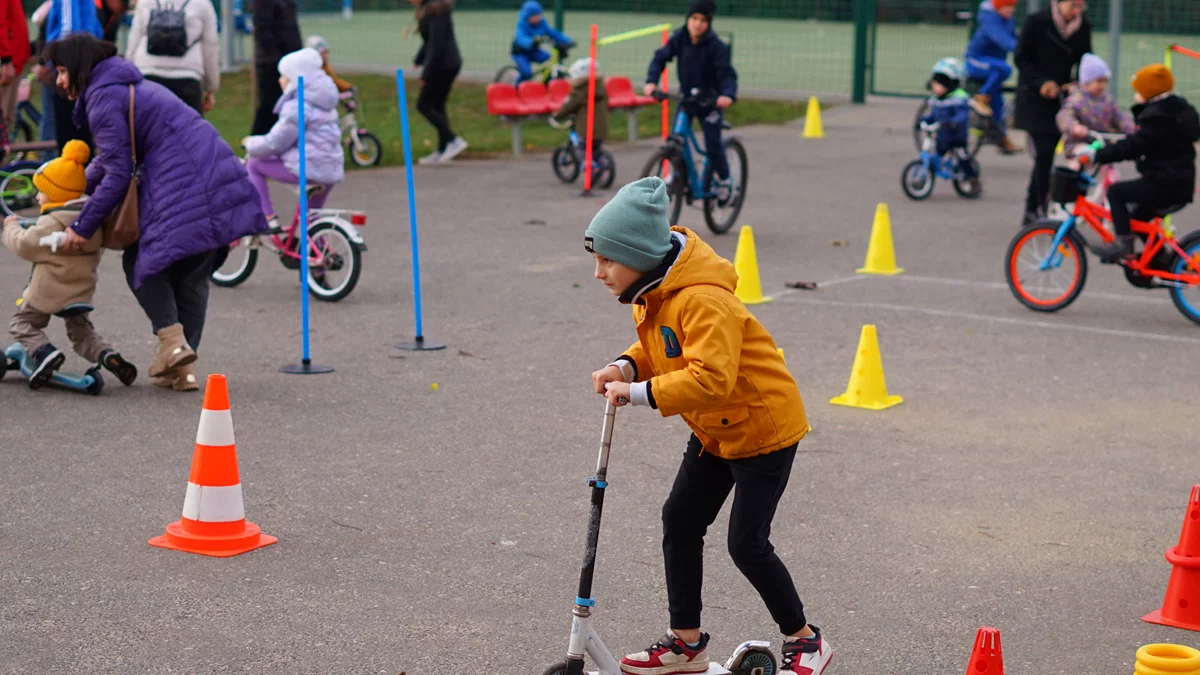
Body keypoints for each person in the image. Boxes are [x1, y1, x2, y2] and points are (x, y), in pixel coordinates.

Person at [587, 177, 833, 675]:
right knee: (680, 519)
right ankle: (687, 643)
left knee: (746, 544)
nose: (598, 273)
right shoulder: (654, 291)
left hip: (762, 430)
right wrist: (626, 367)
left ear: (639, 254)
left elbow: (712, 378)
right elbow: (666, 347)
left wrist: (637, 393)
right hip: (716, 430)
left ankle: (806, 641)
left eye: (607, 260)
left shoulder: (703, 299)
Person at [45, 33, 268, 391]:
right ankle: (181, 367)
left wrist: (81, 227)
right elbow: (111, 159)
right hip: (216, 171)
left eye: (60, 70)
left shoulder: (103, 96)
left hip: (185, 180)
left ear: (77, 65)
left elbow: (117, 172)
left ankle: (173, 344)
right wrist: (69, 190)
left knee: (142, 261)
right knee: (192, 267)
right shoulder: (123, 84)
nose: (57, 80)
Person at [2, 140, 137, 389]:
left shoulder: (50, 223)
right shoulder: (89, 221)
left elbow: (24, 245)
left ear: (54, 194)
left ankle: (44, 353)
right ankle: (109, 356)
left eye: (40, 191)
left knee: (21, 324)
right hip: (80, 293)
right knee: (82, 334)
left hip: (49, 292)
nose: (37, 196)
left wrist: (10, 227)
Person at [1076, 64, 1200, 262]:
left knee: (1117, 192)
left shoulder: (1157, 119)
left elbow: (1133, 145)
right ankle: (1162, 260)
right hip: (1178, 182)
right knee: (1136, 218)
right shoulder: (1176, 112)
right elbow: (1155, 145)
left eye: (1138, 92)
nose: (1135, 96)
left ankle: (1123, 246)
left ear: (1150, 94)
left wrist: (1097, 155)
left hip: (1166, 184)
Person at [644, 0, 737, 202]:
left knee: (713, 144)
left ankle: (724, 180)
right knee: (676, 139)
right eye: (694, 19)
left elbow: (727, 74)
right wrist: (652, 82)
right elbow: (660, 57)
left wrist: (727, 94)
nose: (697, 24)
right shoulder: (680, 38)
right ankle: (676, 174)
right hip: (687, 100)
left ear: (709, 23)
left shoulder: (716, 47)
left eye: (703, 20)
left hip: (710, 103)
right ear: (688, 19)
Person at [242, 47, 344, 230]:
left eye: (284, 76)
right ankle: (318, 251)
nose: (280, 80)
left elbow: (276, 143)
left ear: (294, 79)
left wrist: (251, 143)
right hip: (330, 169)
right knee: (311, 224)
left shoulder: (297, 106)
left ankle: (267, 216)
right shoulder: (324, 103)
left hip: (310, 169)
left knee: (254, 163)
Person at [1014, 0, 1092, 227]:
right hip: (1034, 98)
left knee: (1055, 156)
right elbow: (1022, 58)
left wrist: (1079, 84)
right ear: (1058, 3)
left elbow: (1085, 60)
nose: (1076, 11)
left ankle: (1048, 206)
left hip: (1063, 100)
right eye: (1072, 6)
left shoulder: (1083, 26)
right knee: (1045, 152)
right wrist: (1042, 83)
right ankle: (1034, 208)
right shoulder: (1036, 22)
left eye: (1080, 6)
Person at [126, 0, 220, 115]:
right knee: (188, 130)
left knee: (147, 130)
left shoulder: (145, 2)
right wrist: (211, 87)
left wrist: (128, 78)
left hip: (147, 76)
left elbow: (133, 41)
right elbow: (210, 47)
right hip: (188, 78)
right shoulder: (203, 4)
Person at [44, 0, 103, 153]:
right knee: (82, 133)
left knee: (68, 136)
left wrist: (58, 63)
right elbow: (96, 29)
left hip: (71, 65)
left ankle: (71, 174)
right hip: (84, 62)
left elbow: (68, 28)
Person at [412, 0, 466, 164]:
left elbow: (437, 45)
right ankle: (443, 150)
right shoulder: (429, 10)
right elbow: (429, 41)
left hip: (444, 65)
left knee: (424, 105)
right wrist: (418, 60)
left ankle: (453, 140)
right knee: (437, 106)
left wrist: (426, 75)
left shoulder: (437, 12)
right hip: (445, 63)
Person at [963, 0, 1020, 153]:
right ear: (999, 7)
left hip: (993, 66)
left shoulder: (1009, 20)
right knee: (1004, 69)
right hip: (976, 61)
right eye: (1008, 7)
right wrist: (1019, 48)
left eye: (1013, 7)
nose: (1011, 10)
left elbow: (1015, 37)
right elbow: (1001, 39)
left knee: (998, 106)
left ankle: (1000, 138)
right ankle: (981, 97)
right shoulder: (990, 19)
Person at [1055, 53, 1135, 157]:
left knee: (1108, 167)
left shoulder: (1107, 99)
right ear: (1086, 81)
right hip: (1079, 142)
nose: (1102, 85)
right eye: (1098, 81)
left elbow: (1118, 116)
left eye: (1105, 81)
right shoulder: (1077, 99)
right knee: (1082, 158)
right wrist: (1074, 127)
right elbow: (1064, 115)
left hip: (1101, 142)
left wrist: (1130, 128)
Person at [921, 58, 981, 193]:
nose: (935, 88)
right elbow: (932, 115)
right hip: (943, 136)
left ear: (950, 84)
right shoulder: (935, 100)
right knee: (937, 154)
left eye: (939, 84)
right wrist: (924, 120)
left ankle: (973, 179)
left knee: (962, 157)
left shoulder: (958, 99)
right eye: (934, 84)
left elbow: (962, 114)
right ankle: (928, 173)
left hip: (956, 136)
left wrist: (953, 122)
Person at [250, 0, 301, 135]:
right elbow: (262, 31)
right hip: (272, 66)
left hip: (288, 63)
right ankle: (255, 149)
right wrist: (278, 62)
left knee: (286, 110)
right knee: (269, 108)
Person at [510, 0, 572, 85]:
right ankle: (516, 89)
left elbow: (552, 33)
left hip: (534, 51)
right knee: (526, 72)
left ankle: (545, 85)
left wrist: (568, 41)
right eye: (534, 16)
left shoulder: (542, 23)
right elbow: (520, 38)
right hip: (521, 53)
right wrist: (531, 41)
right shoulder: (522, 24)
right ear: (528, 16)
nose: (538, 18)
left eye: (539, 15)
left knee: (550, 61)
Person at [553, 57, 607, 155]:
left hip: (585, 130)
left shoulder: (579, 91)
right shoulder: (600, 88)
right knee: (595, 148)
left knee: (581, 151)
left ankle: (585, 165)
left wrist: (557, 116)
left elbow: (569, 106)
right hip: (601, 129)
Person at [0, 0, 30, 143]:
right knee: (4, 118)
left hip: (13, 60)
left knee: (7, 117)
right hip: (8, 62)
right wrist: (5, 59)